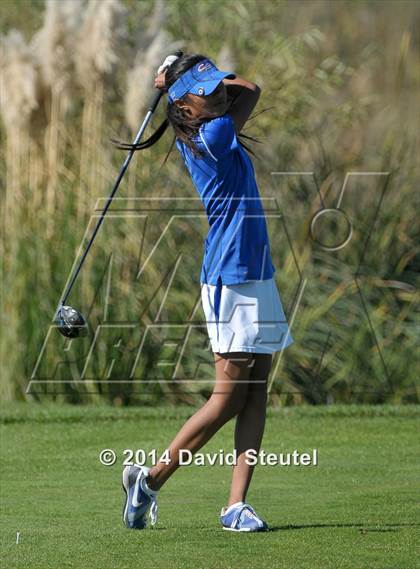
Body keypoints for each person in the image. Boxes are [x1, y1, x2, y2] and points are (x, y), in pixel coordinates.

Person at [120, 53, 294, 532]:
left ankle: (236, 505)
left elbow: (248, 89)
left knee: (254, 393)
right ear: (184, 108)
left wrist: (187, 73)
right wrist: (182, 74)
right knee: (226, 400)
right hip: (230, 277)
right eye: (206, 90)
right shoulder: (213, 133)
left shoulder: (205, 126)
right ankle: (150, 479)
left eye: (217, 86)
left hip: (256, 272)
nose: (219, 93)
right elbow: (250, 89)